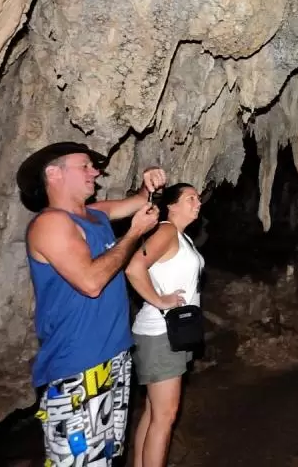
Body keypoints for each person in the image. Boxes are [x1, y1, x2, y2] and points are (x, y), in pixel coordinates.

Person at [17, 141, 166, 467]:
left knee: (107, 457)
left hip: (115, 355)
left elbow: (140, 200)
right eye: (84, 166)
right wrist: (133, 235)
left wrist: (149, 182)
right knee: (79, 461)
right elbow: (91, 282)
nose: (95, 172)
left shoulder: (96, 215)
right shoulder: (51, 224)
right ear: (53, 174)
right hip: (78, 365)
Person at [125, 183, 205, 467]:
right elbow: (134, 267)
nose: (198, 202)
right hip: (160, 335)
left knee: (153, 412)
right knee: (166, 416)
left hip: (172, 334)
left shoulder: (182, 237)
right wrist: (159, 301)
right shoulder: (167, 230)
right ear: (171, 205)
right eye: (190, 198)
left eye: (198, 198)